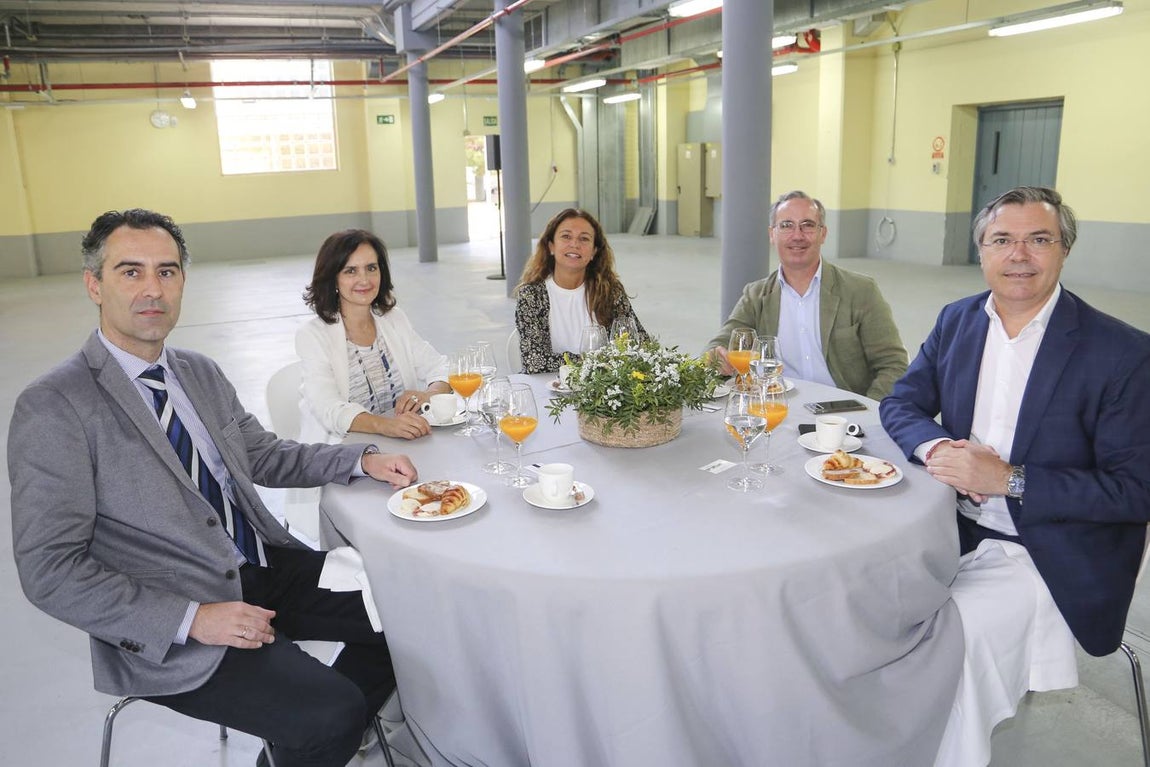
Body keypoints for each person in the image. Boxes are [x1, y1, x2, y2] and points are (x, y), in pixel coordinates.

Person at [8, 209, 420, 767]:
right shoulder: (55, 406)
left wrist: (361, 460)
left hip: (260, 565)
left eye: (167, 271)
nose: (153, 289)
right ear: (94, 284)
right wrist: (192, 619)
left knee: (411, 618)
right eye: (130, 272)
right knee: (331, 714)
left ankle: (299, 748)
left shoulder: (197, 371)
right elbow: (50, 568)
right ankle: (321, 733)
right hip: (180, 612)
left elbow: (263, 455)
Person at [879, 187, 1150, 766]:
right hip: (949, 526)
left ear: (1065, 249)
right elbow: (901, 402)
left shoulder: (1123, 353)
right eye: (1002, 239)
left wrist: (1010, 479)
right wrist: (938, 449)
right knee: (860, 607)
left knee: (947, 652)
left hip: (1049, 549)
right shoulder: (958, 320)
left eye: (1039, 239)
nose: (1019, 254)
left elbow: (1135, 491)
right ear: (981, 251)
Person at [704, 190, 908, 399]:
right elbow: (719, 344)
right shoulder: (756, 296)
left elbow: (894, 365)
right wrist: (716, 357)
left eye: (808, 225)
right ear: (772, 234)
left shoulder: (861, 291)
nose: (797, 235)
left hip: (844, 411)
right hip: (778, 406)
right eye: (786, 225)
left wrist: (868, 409)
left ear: (823, 234)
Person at [296, 229, 451, 443]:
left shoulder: (394, 319)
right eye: (351, 271)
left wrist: (428, 396)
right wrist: (385, 426)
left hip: (400, 444)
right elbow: (329, 408)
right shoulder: (313, 335)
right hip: (342, 452)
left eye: (371, 268)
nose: (364, 280)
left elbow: (441, 367)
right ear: (333, 279)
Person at [515, 208, 648, 374]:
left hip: (602, 385)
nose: (575, 244)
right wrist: (598, 361)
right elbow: (534, 361)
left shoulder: (610, 291)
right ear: (551, 246)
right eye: (566, 236)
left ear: (594, 252)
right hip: (547, 384)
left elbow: (640, 342)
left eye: (584, 238)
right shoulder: (531, 295)